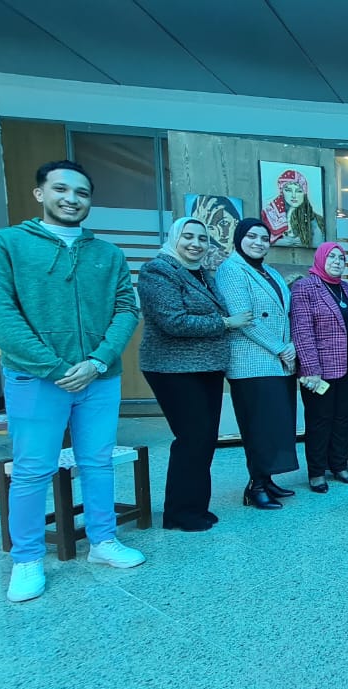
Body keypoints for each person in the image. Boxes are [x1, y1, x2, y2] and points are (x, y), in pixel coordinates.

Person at [0, 159, 145, 602]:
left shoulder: (108, 254)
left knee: (98, 460)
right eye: (61, 189)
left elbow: (126, 310)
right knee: (32, 469)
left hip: (99, 376)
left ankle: (103, 541)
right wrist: (54, 368)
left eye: (82, 193)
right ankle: (27, 559)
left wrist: (98, 361)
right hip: (35, 378)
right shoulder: (7, 244)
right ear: (40, 194)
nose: (71, 199)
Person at [138, 217, 252, 532]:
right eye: (188, 236)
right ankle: (180, 513)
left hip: (207, 367)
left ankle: (195, 507)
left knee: (204, 440)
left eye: (202, 238)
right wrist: (225, 323)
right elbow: (172, 321)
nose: (196, 244)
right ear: (174, 238)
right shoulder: (158, 271)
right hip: (173, 368)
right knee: (191, 439)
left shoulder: (202, 273)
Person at [216, 218, 299, 509]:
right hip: (251, 362)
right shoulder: (230, 270)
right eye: (252, 236)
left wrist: (290, 346)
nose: (258, 243)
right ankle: (255, 487)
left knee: (275, 425)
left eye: (264, 238)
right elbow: (245, 319)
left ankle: (266, 478)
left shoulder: (269, 271)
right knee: (258, 427)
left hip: (277, 361)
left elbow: (285, 314)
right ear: (239, 238)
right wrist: (281, 348)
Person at [291, 242, 348, 493]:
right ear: (321, 258)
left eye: (341, 258)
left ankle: (339, 465)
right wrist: (310, 368)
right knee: (319, 420)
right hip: (318, 370)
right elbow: (301, 331)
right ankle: (317, 472)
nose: (336, 262)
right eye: (331, 257)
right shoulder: (305, 287)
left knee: (341, 417)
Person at [261, 169, 326, 246]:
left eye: (299, 191)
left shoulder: (314, 219)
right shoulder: (271, 214)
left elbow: (318, 245)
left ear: (304, 193)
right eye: (288, 190)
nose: (294, 195)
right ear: (282, 192)